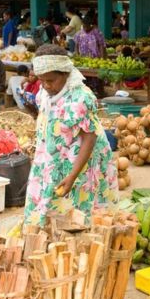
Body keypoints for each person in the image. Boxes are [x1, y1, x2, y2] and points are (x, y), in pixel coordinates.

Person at [23, 44, 118, 226]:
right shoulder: (45, 91)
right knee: (46, 199)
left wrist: (73, 175)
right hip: (52, 155)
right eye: (42, 80)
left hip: (79, 159)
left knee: (78, 207)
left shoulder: (81, 98)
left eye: (50, 80)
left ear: (65, 74)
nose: (46, 85)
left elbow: (90, 138)